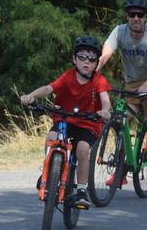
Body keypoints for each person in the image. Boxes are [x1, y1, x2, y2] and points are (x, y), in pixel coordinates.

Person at [20, 36, 112, 209]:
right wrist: (31, 96)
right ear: (74, 59)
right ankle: (48, 172)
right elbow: (49, 88)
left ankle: (82, 190)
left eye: (92, 59)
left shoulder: (99, 80)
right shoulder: (68, 76)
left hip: (88, 124)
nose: (87, 62)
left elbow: (105, 99)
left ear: (96, 63)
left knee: (82, 149)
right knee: (51, 136)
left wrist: (105, 111)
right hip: (66, 119)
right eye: (82, 57)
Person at [97, 0, 147, 156]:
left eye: (140, 15)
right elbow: (104, 56)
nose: (136, 18)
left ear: (145, 17)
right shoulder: (119, 31)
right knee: (120, 121)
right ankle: (120, 168)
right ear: (127, 17)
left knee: (145, 91)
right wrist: (89, 73)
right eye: (132, 14)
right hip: (131, 82)